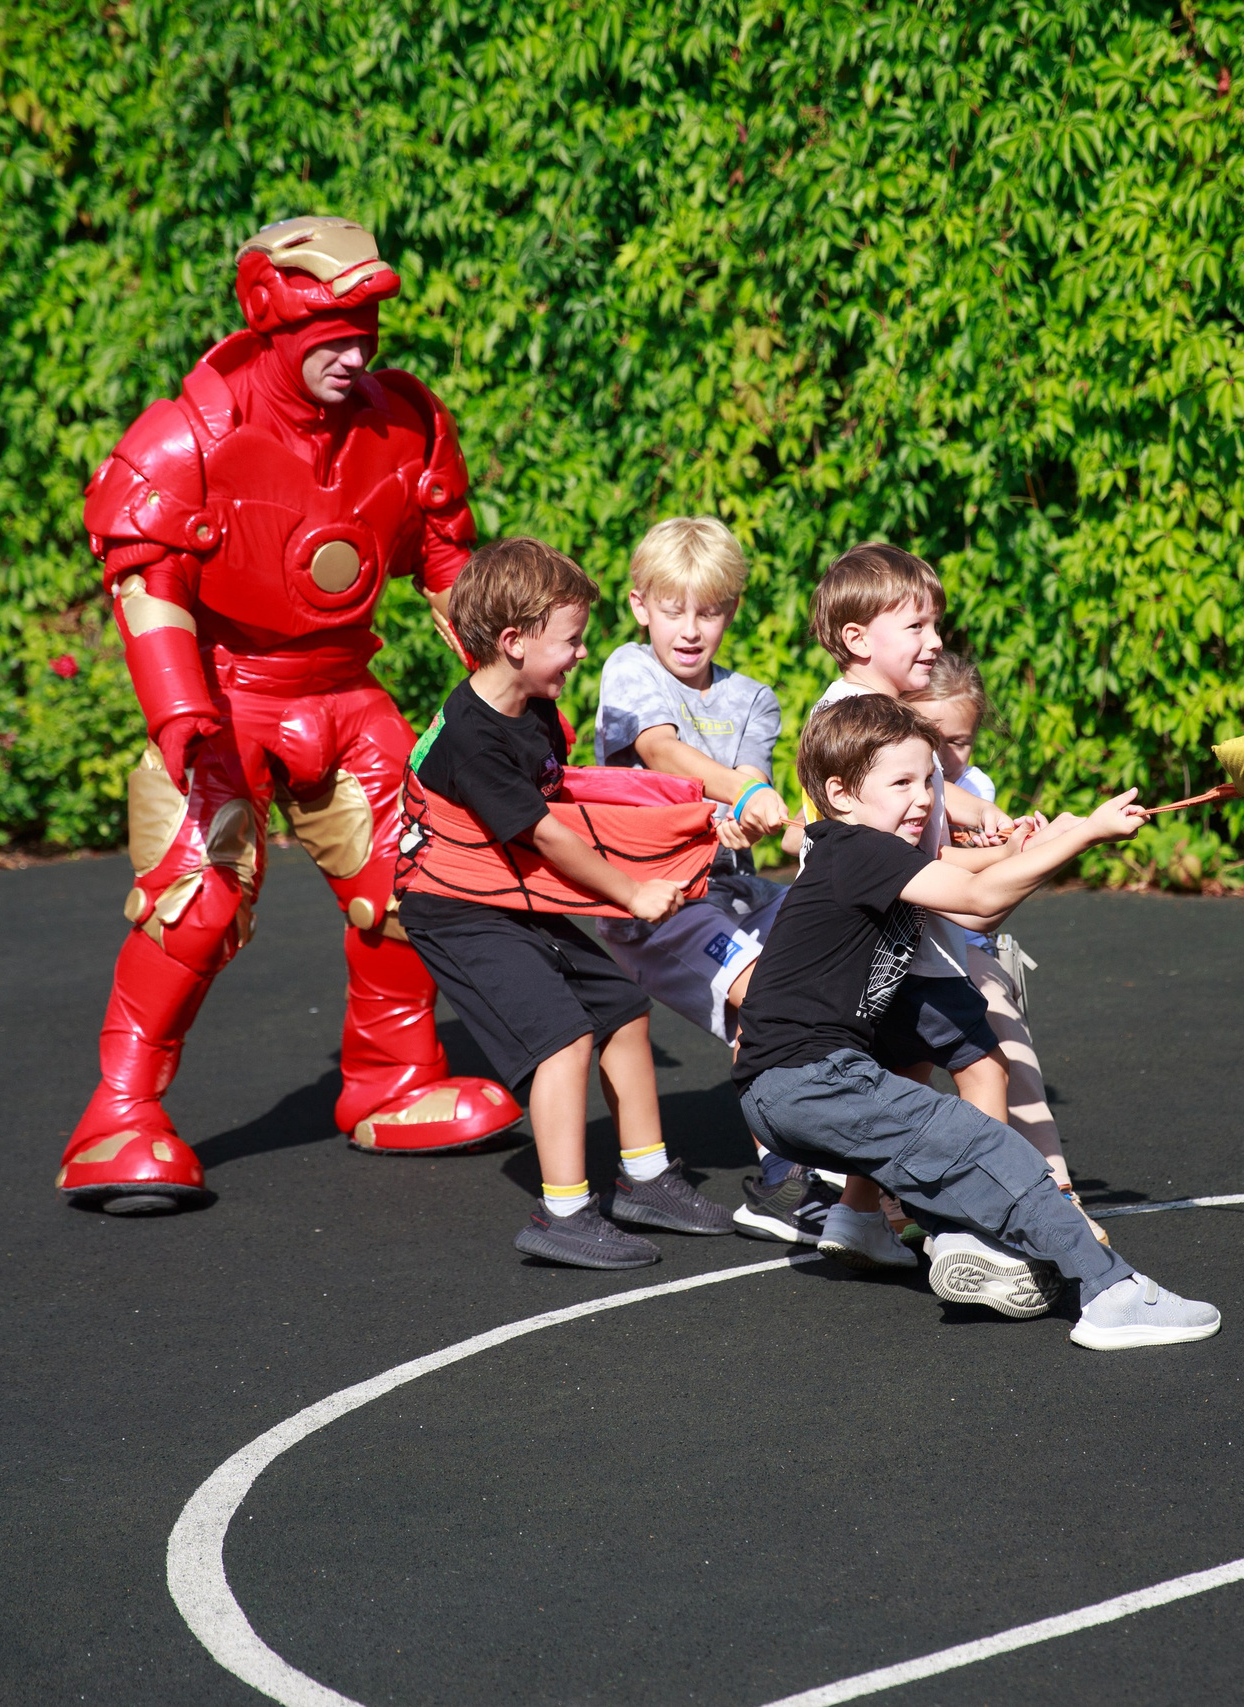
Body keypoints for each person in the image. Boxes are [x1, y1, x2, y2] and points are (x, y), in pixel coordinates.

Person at [59, 215, 517, 1215]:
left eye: (366, 332)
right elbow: (147, 584)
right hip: (228, 697)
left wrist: (504, 685)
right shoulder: (187, 436)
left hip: (345, 690)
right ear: (271, 318)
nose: (354, 354)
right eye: (331, 336)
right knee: (200, 900)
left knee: (415, 876)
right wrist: (180, 707)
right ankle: (118, 1113)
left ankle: (392, 1078)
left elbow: (449, 569)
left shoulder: (405, 423)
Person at [734, 693, 1221, 1348]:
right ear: (841, 794)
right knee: (988, 1142)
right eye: (901, 782)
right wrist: (1083, 833)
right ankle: (1110, 1291)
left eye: (930, 779)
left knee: (928, 1146)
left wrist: (1034, 842)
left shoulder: (852, 852)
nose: (924, 797)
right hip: (813, 1078)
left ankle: (909, 1232)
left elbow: (973, 888)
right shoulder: (858, 848)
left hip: (777, 1090)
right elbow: (978, 899)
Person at [393, 538, 736, 1267]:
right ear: (514, 642)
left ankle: (645, 1177)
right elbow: (548, 837)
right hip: (452, 905)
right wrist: (633, 889)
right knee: (561, 1036)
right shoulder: (474, 737)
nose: (582, 653)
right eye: (571, 639)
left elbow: (564, 797)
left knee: (620, 1009)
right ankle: (563, 1212)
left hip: (499, 890)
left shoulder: (533, 705)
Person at [586, 515, 837, 1244]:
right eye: (673, 608)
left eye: (710, 610)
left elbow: (752, 785)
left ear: (731, 610)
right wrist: (732, 797)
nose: (690, 628)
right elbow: (660, 752)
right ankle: (782, 1177)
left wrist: (748, 811)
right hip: (655, 900)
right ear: (640, 605)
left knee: (829, 967)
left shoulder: (754, 698)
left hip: (732, 890)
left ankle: (827, 1156)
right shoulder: (629, 667)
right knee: (762, 997)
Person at [797, 546, 1021, 1271]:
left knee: (908, 1069)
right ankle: (982, 1226)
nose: (935, 642)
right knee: (984, 1066)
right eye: (917, 627)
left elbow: (939, 795)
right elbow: (892, 852)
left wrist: (988, 815)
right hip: (878, 942)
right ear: (858, 639)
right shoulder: (852, 719)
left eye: (936, 625)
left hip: (883, 943)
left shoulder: (878, 715)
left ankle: (857, 1215)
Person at [905, 653, 1108, 1243]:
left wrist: (1029, 842)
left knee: (1010, 1046)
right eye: (933, 740)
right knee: (907, 1071)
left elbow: (987, 897)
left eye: (960, 742)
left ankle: (1056, 1185)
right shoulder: (898, 784)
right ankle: (893, 1197)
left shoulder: (976, 790)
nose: (947, 758)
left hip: (963, 942)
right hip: (910, 942)